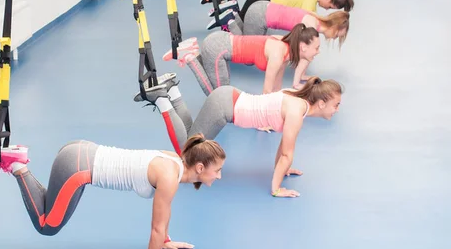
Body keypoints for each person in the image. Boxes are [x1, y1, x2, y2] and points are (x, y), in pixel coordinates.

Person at [0, 135, 226, 249]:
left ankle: (18, 162)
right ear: (201, 167)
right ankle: (18, 166)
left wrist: (166, 240)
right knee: (47, 226)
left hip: (79, 152)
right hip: (77, 167)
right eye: (217, 170)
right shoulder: (170, 177)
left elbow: (165, 212)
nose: (220, 176)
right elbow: (156, 227)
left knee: (52, 207)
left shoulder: (175, 162)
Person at [135, 74, 343, 198]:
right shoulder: (297, 110)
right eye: (336, 105)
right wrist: (277, 189)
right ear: (322, 103)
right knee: (187, 151)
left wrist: (283, 168)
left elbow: (284, 149)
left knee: (192, 135)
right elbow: (287, 154)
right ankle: (163, 99)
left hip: (228, 98)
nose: (337, 110)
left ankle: (172, 91)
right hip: (225, 106)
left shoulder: (298, 101)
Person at [163, 24, 321, 95]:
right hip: (218, 48)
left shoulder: (286, 50)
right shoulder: (278, 54)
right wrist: (265, 120)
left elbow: (276, 89)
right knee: (217, 95)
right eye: (316, 48)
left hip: (223, 43)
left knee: (220, 91)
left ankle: (193, 49)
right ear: (303, 47)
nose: (318, 52)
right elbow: (266, 91)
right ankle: (190, 56)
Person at [227, 1, 350, 46]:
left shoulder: (315, 19)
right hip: (260, 15)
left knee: (246, 35)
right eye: (338, 34)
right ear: (334, 27)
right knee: (245, 48)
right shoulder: (312, 26)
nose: (336, 38)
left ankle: (233, 13)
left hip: (261, 7)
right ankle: (229, 20)